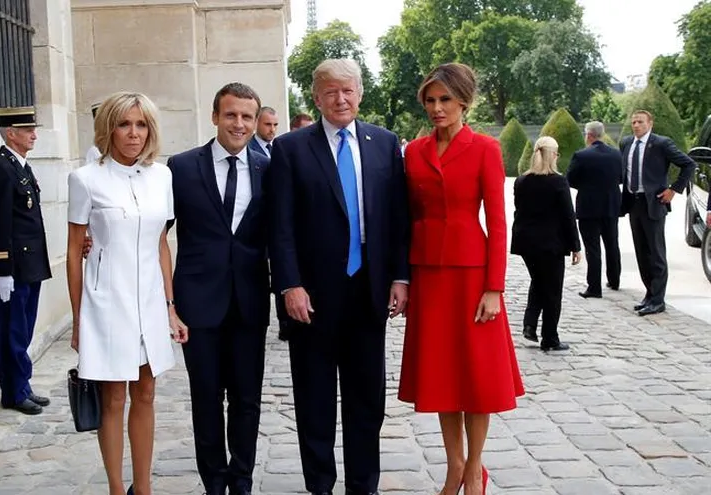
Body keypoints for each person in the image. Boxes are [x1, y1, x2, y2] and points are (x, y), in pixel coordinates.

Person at [268, 58, 409, 495]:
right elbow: (281, 225)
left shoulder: (384, 144)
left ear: (360, 94)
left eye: (348, 90)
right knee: (314, 398)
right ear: (316, 97)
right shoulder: (291, 148)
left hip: (369, 290)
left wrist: (401, 277)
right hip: (312, 295)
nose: (340, 99)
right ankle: (321, 485)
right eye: (331, 91)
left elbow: (398, 217)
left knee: (367, 398)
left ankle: (363, 485)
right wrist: (290, 283)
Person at [397, 63, 524, 495]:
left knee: (476, 377)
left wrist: (495, 287)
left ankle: (474, 469)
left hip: (472, 277)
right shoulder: (413, 152)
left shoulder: (486, 148)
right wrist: (405, 279)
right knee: (441, 376)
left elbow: (499, 221)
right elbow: (409, 215)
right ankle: (454, 466)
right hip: (428, 275)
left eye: (445, 100)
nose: (436, 108)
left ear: (464, 102)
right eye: (430, 101)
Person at [66, 91, 188, 495]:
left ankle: (144, 486)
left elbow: (160, 244)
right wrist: (78, 317)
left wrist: (170, 307)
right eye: (124, 124)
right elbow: (73, 251)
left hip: (151, 299)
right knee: (114, 396)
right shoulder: (86, 178)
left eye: (141, 124)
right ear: (109, 128)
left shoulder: (162, 176)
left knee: (147, 390)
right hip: (107, 301)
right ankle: (117, 488)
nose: (133, 133)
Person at [168, 83, 271, 495]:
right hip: (198, 302)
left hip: (249, 301)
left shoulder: (270, 168)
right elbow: (153, 231)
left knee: (247, 400)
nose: (239, 124)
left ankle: (241, 480)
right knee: (206, 399)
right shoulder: (181, 167)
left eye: (247, 116)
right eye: (231, 115)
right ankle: (214, 482)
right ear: (215, 117)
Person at [0, 106, 52, 416]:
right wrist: (2, 270)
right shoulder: (0, 168)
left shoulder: (20, 165)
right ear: (11, 134)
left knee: (23, 329)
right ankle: (13, 392)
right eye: (27, 130)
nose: (33, 134)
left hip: (30, 265)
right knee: (12, 329)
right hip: (15, 268)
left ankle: (22, 385)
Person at [620, 110, 696, 316]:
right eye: (634, 121)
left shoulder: (661, 143)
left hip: (653, 203)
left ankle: (658, 300)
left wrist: (674, 189)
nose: (636, 125)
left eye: (640, 122)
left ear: (650, 123)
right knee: (641, 252)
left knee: (656, 253)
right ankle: (649, 294)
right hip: (634, 203)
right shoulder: (627, 143)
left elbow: (689, 164)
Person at [511, 136, 582, 353]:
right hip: (550, 243)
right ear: (553, 155)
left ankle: (530, 324)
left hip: (527, 242)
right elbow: (568, 216)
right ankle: (550, 337)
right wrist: (575, 246)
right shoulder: (557, 181)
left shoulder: (522, 181)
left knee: (539, 282)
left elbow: (519, 210)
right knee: (552, 290)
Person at [566, 121, 622, 298]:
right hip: (611, 205)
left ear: (589, 135)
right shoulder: (616, 154)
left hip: (589, 206)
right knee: (612, 243)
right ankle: (614, 280)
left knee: (593, 248)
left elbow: (570, 179)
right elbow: (622, 177)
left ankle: (594, 287)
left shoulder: (581, 155)